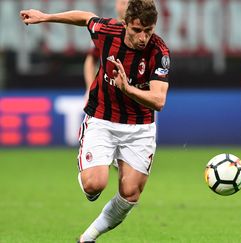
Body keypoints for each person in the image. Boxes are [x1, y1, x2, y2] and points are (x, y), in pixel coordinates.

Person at [20, 0, 170, 242]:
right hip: (102, 118)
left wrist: (128, 89)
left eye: (148, 31)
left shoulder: (159, 52)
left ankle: (88, 237)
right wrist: (45, 17)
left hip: (140, 127)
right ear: (125, 25)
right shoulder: (108, 31)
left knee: (130, 193)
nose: (143, 37)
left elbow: (159, 100)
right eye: (137, 30)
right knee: (94, 185)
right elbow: (85, 17)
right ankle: (97, 162)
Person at [83, 0, 129, 100]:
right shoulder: (106, 31)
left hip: (137, 95)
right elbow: (91, 60)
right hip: (108, 95)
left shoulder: (142, 34)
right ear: (117, 4)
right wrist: (90, 89)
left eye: (130, 3)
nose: (127, 7)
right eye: (124, 3)